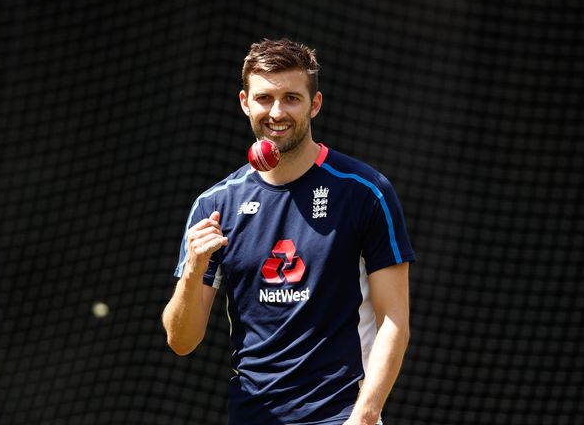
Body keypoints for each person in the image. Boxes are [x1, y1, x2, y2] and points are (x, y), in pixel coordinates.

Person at [162, 38, 415, 425]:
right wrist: (195, 267)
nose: (276, 112)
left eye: (291, 98)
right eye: (264, 98)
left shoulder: (365, 191)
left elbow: (394, 320)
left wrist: (364, 416)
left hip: (342, 416)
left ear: (314, 105)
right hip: (252, 415)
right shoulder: (214, 205)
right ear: (245, 102)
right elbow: (181, 341)